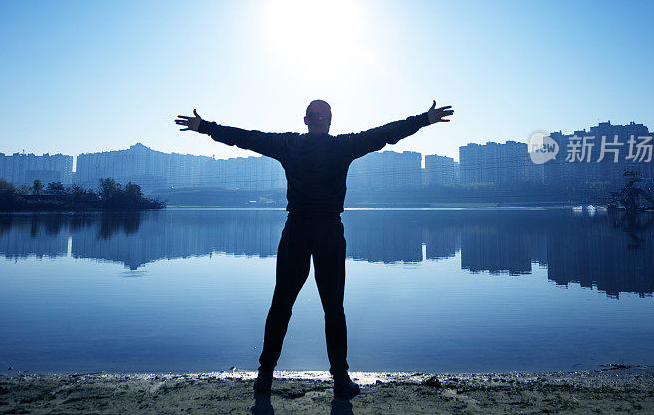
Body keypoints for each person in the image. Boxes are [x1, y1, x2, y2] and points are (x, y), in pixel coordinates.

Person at [175, 100, 453, 400]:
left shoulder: (288, 144)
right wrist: (424, 119)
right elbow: (385, 134)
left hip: (299, 231)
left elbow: (245, 137)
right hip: (326, 232)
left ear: (306, 120)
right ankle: (336, 379)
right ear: (326, 121)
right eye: (321, 117)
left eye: (318, 117)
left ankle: (267, 377)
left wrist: (205, 128)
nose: (320, 120)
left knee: (284, 305)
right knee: (329, 308)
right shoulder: (341, 146)